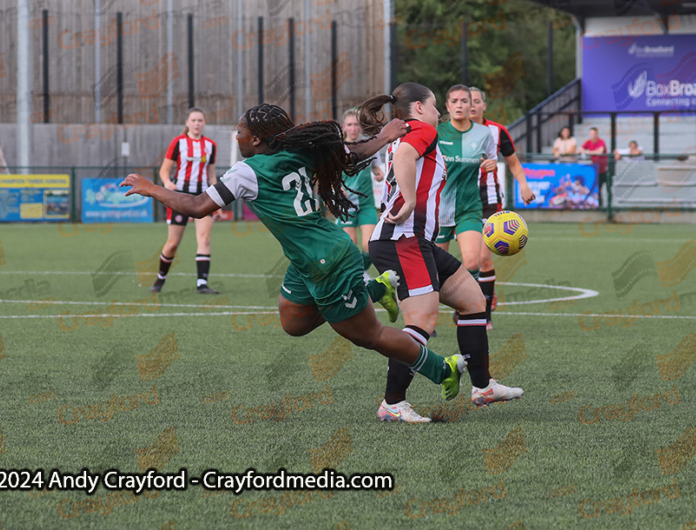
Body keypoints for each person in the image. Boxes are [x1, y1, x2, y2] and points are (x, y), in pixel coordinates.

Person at [120, 104, 468, 408]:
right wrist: (384, 136)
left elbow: (197, 206)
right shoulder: (297, 153)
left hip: (328, 262)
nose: (235, 135)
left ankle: (443, 368)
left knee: (371, 335)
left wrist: (151, 188)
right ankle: (374, 290)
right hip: (310, 258)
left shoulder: (248, 171)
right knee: (293, 323)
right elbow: (350, 157)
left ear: (256, 140)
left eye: (240, 131)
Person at [360, 83, 523, 424]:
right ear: (418, 108)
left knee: (472, 299)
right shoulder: (421, 129)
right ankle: (393, 402)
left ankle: (483, 385)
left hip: (416, 240)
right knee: (422, 322)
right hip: (401, 240)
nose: (440, 112)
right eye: (436, 105)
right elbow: (405, 158)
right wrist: (409, 199)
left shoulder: (412, 130)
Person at [468, 87, 535, 328]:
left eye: (477, 101)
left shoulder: (497, 131)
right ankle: (464, 305)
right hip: (458, 200)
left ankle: (484, 314)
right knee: (468, 262)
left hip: (489, 200)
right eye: (468, 101)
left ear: (484, 105)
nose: (472, 105)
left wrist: (524, 186)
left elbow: (514, 163)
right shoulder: (450, 133)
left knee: (484, 259)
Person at [434, 85, 497, 289]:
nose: (459, 105)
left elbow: (492, 159)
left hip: (469, 208)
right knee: (434, 269)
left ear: (471, 105)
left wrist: (491, 164)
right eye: (454, 101)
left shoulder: (483, 133)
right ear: (447, 105)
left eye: (464, 101)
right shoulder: (436, 132)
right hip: (438, 210)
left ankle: (468, 310)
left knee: (472, 262)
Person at [152, 108, 220, 294]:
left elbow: (212, 175)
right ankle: (160, 278)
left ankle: (202, 284)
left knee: (205, 239)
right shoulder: (178, 142)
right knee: (173, 243)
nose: (197, 123)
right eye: (193, 120)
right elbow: (164, 170)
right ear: (187, 123)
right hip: (180, 197)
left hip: (203, 197)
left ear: (204, 123)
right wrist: (167, 183)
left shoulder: (210, 145)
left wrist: (219, 203)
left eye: (200, 120)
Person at [337, 109, 384, 267]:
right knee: (350, 250)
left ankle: (359, 274)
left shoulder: (369, 145)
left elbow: (376, 168)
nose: (353, 128)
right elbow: (329, 175)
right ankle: (357, 278)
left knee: (371, 247)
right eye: (349, 124)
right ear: (344, 127)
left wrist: (379, 173)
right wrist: (337, 189)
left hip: (366, 204)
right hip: (346, 205)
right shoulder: (338, 148)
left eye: (356, 124)